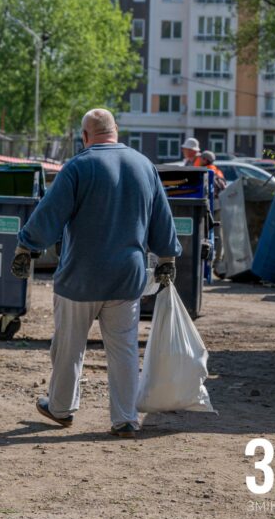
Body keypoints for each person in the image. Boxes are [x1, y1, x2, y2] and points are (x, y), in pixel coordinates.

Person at [11, 108, 182, 438]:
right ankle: (125, 418)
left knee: (69, 348)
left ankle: (60, 408)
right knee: (124, 351)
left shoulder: (78, 166)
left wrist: (26, 247)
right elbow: (162, 217)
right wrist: (167, 257)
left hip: (80, 277)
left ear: (85, 137)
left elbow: (50, 213)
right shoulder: (144, 166)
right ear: (117, 131)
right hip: (127, 278)